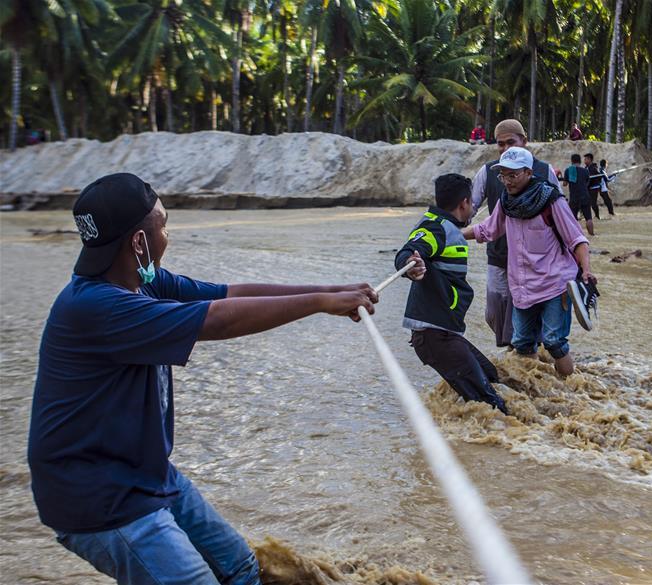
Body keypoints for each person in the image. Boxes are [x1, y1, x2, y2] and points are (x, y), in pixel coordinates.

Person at [27, 173, 378, 585]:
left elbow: (229, 295)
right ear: (139, 243)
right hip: (98, 497)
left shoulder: (145, 283)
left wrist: (332, 291)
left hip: (147, 472)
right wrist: (320, 303)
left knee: (241, 569)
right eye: (164, 225)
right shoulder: (95, 307)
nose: (168, 235)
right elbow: (218, 320)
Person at [463, 147, 598, 377]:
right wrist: (453, 234)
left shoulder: (551, 201)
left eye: (512, 175)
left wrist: (586, 270)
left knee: (555, 342)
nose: (507, 181)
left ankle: (573, 391)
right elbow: (487, 229)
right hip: (522, 288)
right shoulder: (506, 202)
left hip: (555, 284)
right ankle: (535, 393)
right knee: (522, 343)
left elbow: (577, 240)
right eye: (503, 175)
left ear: (528, 172)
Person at [394, 174, 508, 414]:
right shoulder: (436, 227)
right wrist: (410, 264)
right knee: (492, 408)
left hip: (445, 333)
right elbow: (409, 251)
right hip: (435, 337)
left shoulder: (444, 225)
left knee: (493, 377)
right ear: (465, 203)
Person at [470, 118, 562, 348]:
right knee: (494, 311)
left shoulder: (543, 171)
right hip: (499, 254)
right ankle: (517, 351)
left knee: (532, 310)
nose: (505, 148)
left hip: (537, 260)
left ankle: (526, 355)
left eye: (511, 142)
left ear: (525, 141)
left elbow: (562, 215)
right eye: (500, 144)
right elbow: (468, 208)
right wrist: (446, 230)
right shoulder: (488, 172)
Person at [562, 153, 594, 236]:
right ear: (580, 161)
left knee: (573, 219)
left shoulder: (568, 170)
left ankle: (576, 236)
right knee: (588, 218)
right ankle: (592, 235)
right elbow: (587, 182)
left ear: (572, 161)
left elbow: (565, 184)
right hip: (585, 196)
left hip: (574, 197)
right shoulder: (585, 171)